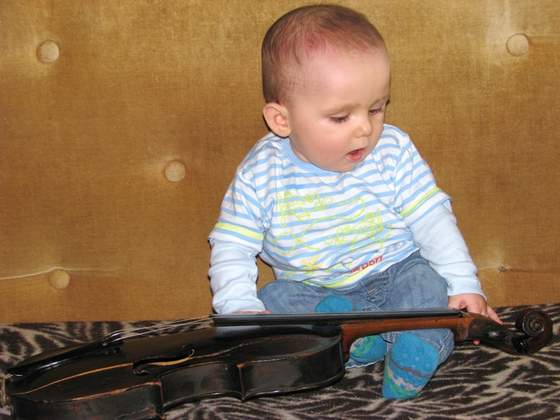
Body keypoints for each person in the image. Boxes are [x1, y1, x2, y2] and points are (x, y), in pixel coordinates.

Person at [208, 4, 499, 399]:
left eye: (376, 108)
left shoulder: (393, 150)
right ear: (282, 119)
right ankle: (357, 340)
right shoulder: (261, 173)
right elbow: (232, 244)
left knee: (429, 284)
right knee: (274, 300)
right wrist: (238, 310)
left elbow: (433, 219)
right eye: (341, 117)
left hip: (398, 270)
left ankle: (417, 349)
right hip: (315, 290)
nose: (365, 128)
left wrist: (464, 283)